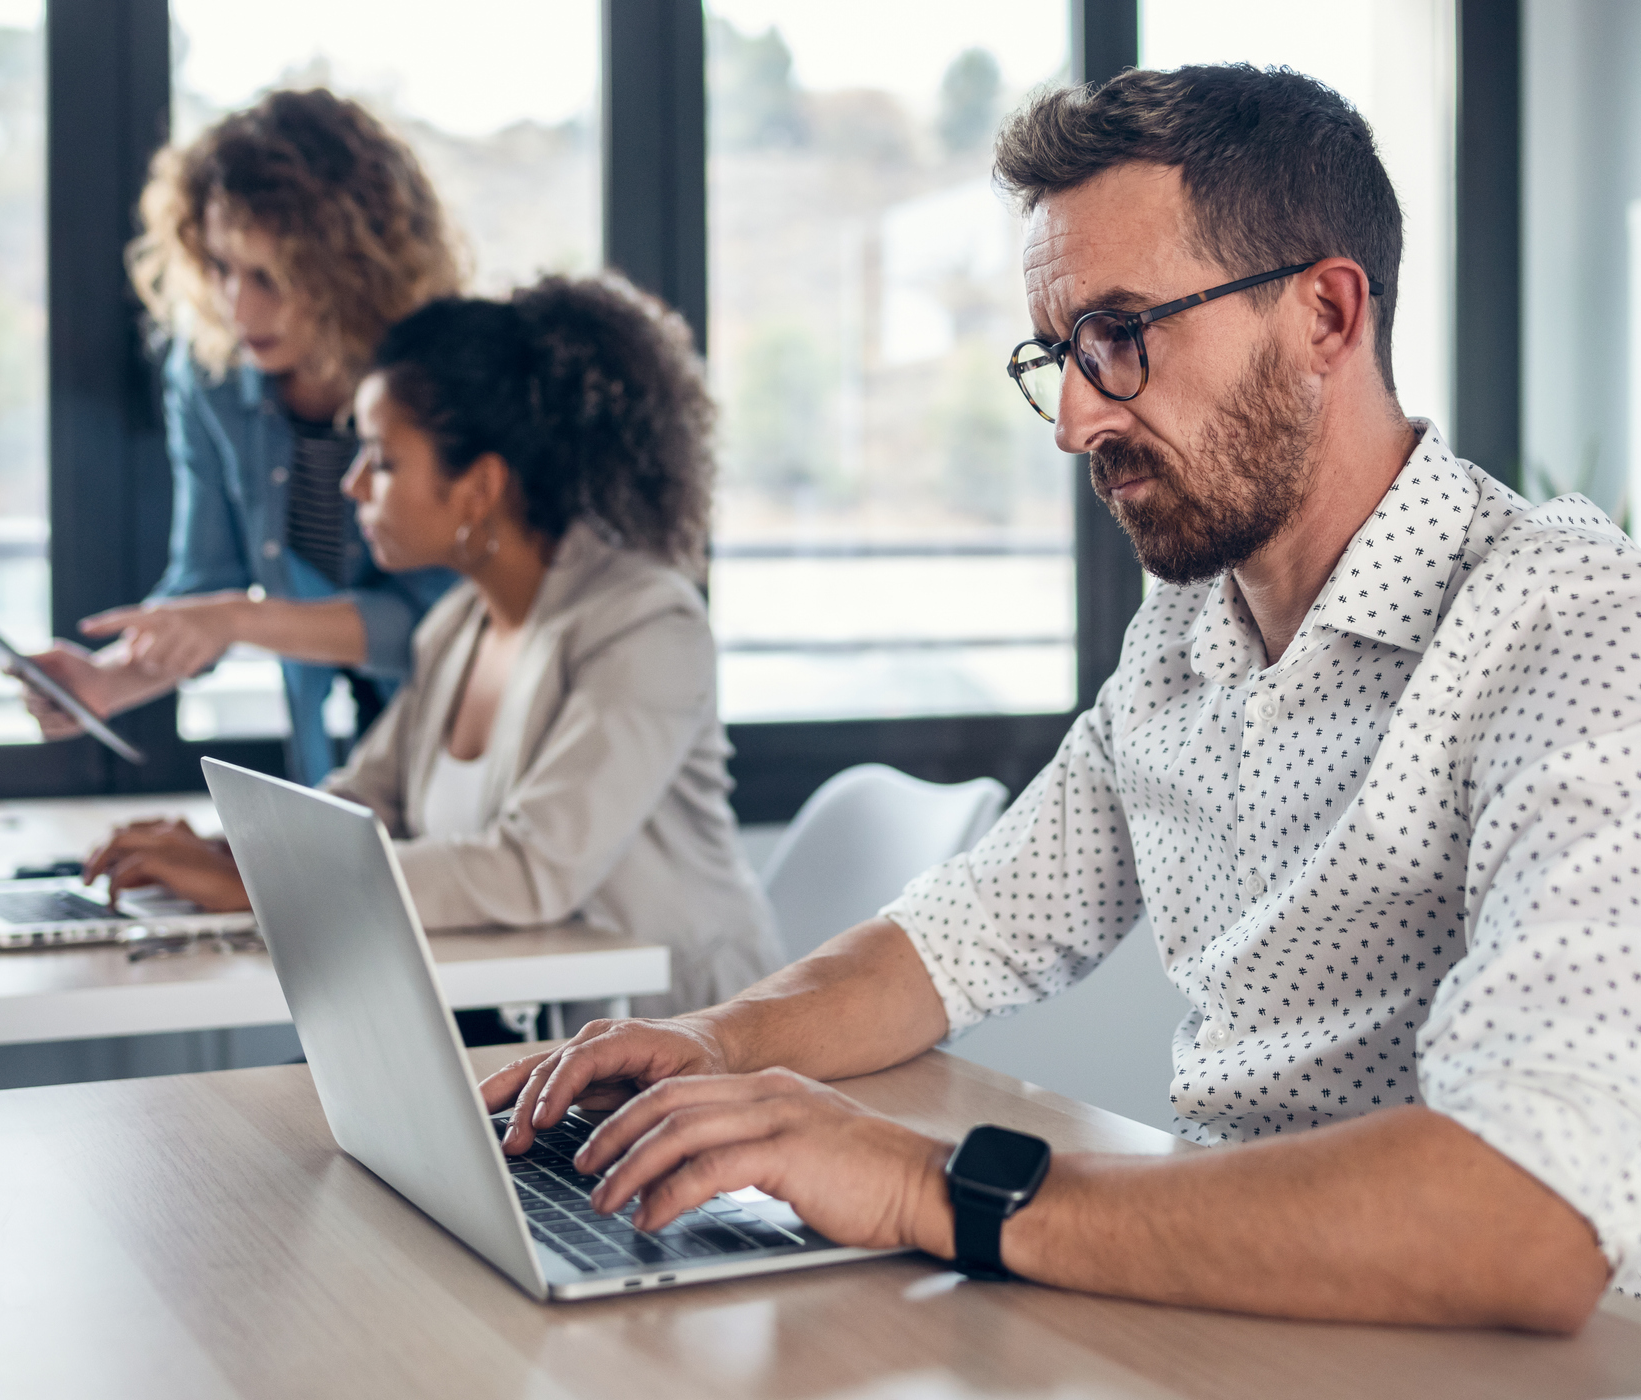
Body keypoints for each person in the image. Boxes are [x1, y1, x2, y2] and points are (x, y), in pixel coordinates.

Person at [478, 65, 1636, 1331]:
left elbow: (1527, 1211)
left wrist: (935, 1186)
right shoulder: (1189, 629)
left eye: (1122, 336)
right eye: (1060, 353)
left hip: (1449, 1346)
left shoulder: (1573, 630)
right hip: (1222, 1306)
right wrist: (716, 1041)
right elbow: (965, 930)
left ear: (1325, 315)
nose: (1076, 417)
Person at [84, 273, 783, 1021]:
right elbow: (361, 809)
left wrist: (264, 886)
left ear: (477, 488)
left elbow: (530, 869)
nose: (353, 486)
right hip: (542, 1028)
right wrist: (225, 852)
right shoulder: (456, 627)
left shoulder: (644, 624)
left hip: (692, 1035)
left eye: (382, 461)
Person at [21, 88, 461, 785]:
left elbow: (436, 626)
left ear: (351, 273)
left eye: (270, 276)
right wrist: (107, 682)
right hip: (334, 761)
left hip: (459, 739)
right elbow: (209, 582)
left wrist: (238, 620)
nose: (237, 304)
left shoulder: (437, 375)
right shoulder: (210, 378)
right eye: (221, 267)